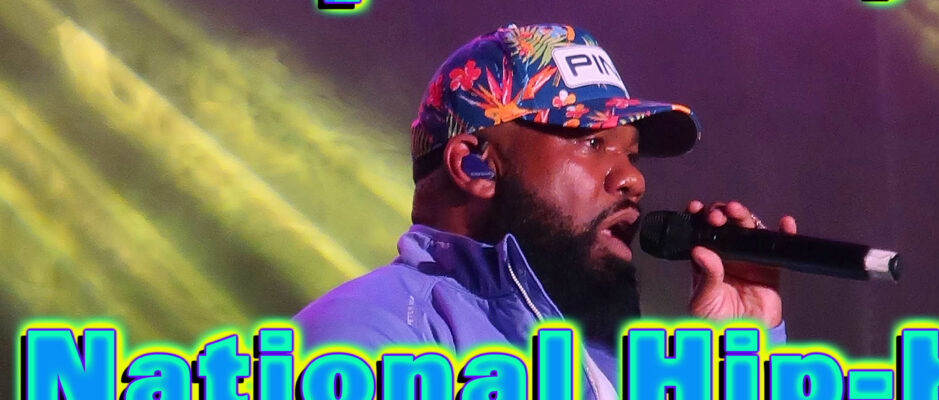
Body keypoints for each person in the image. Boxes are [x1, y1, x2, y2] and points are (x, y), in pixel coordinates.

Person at [293, 23, 797, 399]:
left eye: (632, 155)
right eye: (592, 141)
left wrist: (745, 348)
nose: (634, 180)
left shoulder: (606, 365)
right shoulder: (367, 341)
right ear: (473, 165)